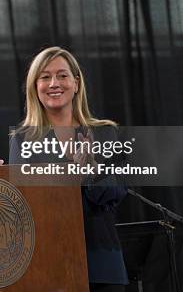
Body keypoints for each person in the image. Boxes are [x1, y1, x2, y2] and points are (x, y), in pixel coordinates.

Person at [10, 46, 128, 291]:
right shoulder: (22, 139)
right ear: (35, 87)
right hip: (48, 263)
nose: (54, 83)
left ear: (76, 83)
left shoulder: (105, 132)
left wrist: (90, 172)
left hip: (102, 262)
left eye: (62, 75)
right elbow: (22, 204)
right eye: (45, 77)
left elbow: (116, 194)